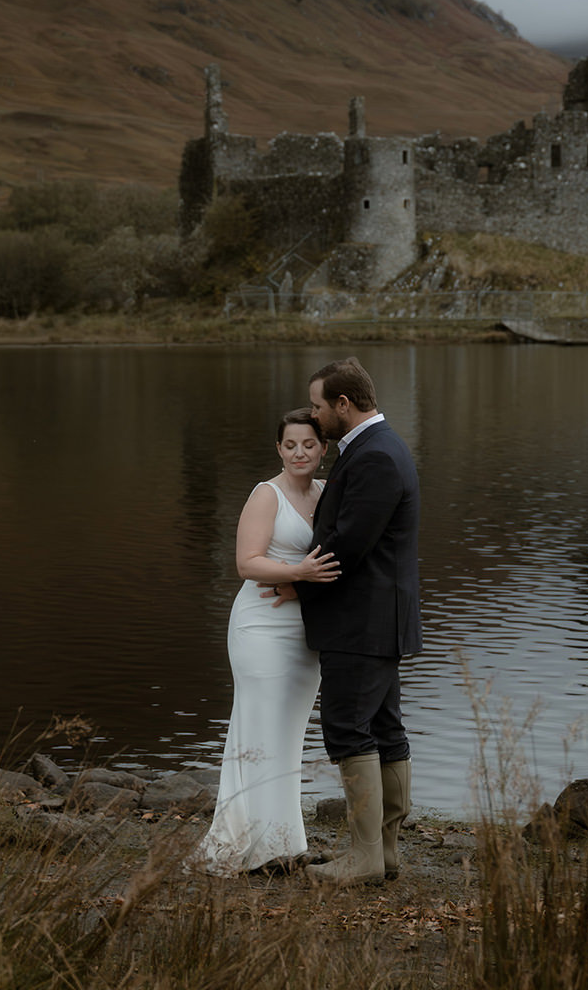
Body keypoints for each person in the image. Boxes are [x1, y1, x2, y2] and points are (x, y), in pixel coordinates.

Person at [263, 356, 421, 885]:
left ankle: (365, 857)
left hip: (363, 621)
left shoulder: (375, 455)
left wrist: (296, 581)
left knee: (350, 730)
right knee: (383, 727)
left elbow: (348, 544)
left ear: (343, 405)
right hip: (377, 618)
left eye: (317, 405)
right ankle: (385, 853)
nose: (314, 414)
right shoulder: (377, 447)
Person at [195, 408, 340, 875]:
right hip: (260, 626)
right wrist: (298, 571)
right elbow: (246, 563)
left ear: (322, 449)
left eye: (309, 444)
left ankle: (285, 843)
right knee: (258, 728)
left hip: (305, 631)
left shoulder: (324, 492)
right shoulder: (266, 495)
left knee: (288, 735)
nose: (300, 453)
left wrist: (302, 585)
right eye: (291, 445)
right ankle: (250, 846)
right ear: (279, 449)